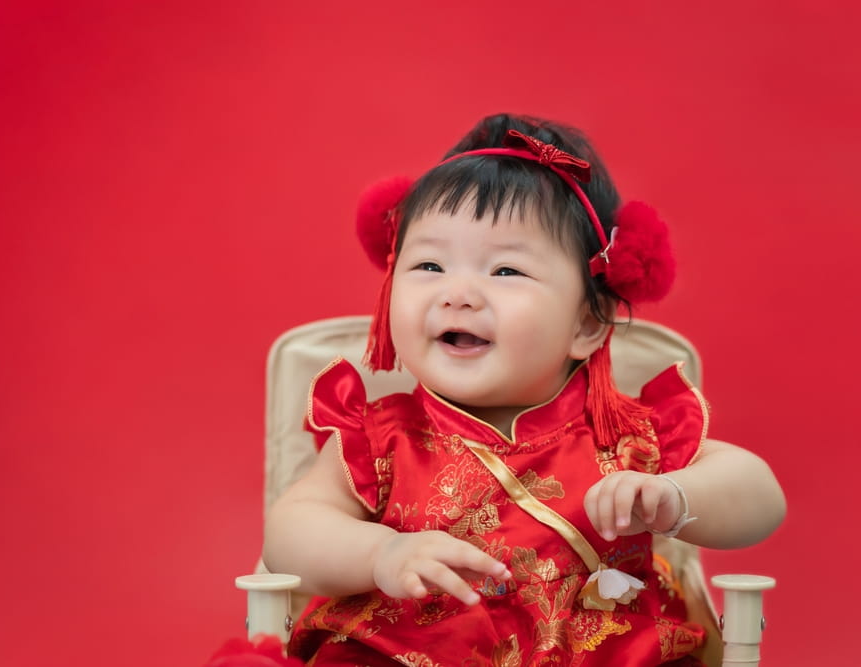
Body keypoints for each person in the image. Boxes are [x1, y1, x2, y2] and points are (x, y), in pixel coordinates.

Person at [262, 113, 786, 666]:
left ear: (587, 324)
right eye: (430, 264)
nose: (458, 294)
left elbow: (760, 495)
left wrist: (676, 497)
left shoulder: (624, 435)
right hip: (411, 647)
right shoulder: (380, 438)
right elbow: (291, 531)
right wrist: (381, 553)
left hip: (597, 650)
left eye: (506, 271)